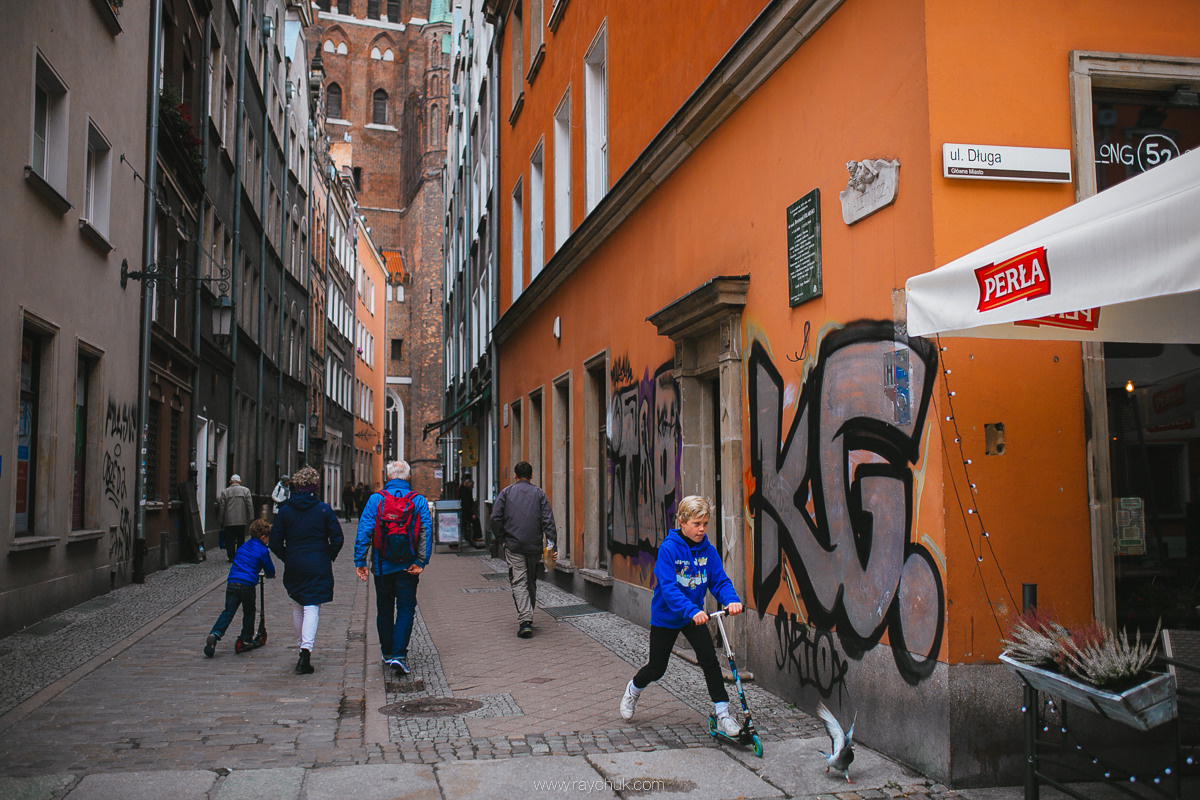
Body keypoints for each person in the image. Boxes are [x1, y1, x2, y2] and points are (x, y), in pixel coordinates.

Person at [619, 495, 744, 737]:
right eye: (697, 524)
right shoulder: (668, 550)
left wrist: (731, 600)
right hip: (668, 617)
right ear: (682, 522)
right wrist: (692, 610)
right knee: (657, 668)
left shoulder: (708, 551)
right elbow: (669, 588)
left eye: (705, 524)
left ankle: (723, 715)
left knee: (709, 660)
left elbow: (720, 581)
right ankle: (633, 689)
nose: (702, 529)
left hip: (692, 616)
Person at [355, 461, 432, 675]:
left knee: (385, 609)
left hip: (382, 565)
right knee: (406, 608)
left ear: (388, 477)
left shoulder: (376, 500)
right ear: (408, 478)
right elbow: (426, 532)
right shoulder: (418, 501)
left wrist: (360, 561)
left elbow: (364, 532)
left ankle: (387, 652)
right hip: (408, 565)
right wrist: (421, 561)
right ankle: (400, 654)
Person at [269, 467, 343, 675]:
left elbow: (274, 542)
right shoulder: (324, 510)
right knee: (312, 606)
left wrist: (288, 556)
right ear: (315, 487)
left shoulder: (285, 511)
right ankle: (305, 651)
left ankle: (302, 649)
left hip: (295, 563)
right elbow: (337, 538)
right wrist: (327, 555)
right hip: (317, 561)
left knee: (297, 605)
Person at [490, 461, 557, 639]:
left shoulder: (506, 493)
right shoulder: (539, 494)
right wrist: (551, 546)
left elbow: (495, 518)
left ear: (515, 475)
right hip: (534, 545)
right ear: (532, 475)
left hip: (513, 545)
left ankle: (526, 620)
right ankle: (528, 614)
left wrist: (502, 539)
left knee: (519, 581)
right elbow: (548, 522)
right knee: (531, 580)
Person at [204, 519, 276, 657]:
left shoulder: (243, 546)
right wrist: (271, 575)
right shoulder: (262, 550)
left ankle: (215, 633)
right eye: (267, 538)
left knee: (228, 611)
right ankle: (246, 638)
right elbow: (269, 568)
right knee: (249, 612)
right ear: (263, 537)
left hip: (232, 582)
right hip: (247, 585)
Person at [216, 474, 254, 561]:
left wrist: (220, 519)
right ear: (240, 481)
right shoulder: (246, 491)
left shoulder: (225, 492)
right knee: (240, 538)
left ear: (230, 482)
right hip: (241, 519)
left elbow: (222, 507)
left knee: (230, 539)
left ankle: (231, 556)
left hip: (229, 520)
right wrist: (250, 516)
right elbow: (249, 505)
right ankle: (240, 556)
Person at [458, 477, 483, 548]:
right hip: (466, 511)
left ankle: (467, 538)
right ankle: (476, 536)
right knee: (475, 521)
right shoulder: (465, 491)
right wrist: (472, 513)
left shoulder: (463, 489)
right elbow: (467, 503)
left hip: (464, 510)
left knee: (463, 525)